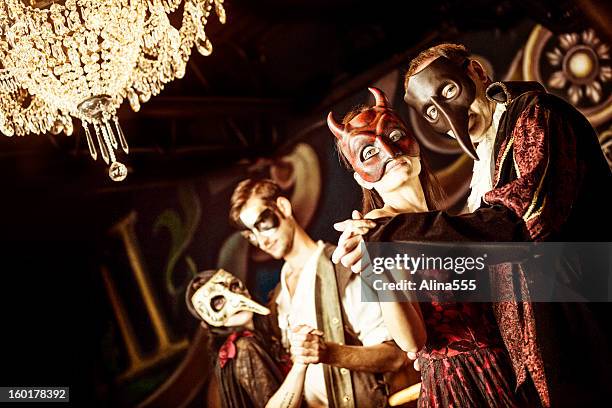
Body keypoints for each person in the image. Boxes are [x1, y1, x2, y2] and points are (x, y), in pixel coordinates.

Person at [332, 44, 612, 408]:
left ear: (477, 74)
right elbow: (414, 340)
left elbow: (519, 225)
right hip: (495, 376)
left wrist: (392, 234)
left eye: (448, 91)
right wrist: (379, 265)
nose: (450, 115)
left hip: (581, 335)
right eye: (431, 111)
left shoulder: (535, 117)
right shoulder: (480, 176)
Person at [328, 87, 538, 408]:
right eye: (368, 152)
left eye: (395, 135)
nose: (388, 151)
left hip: (507, 369)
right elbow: (411, 339)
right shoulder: (381, 229)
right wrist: (377, 267)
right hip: (461, 384)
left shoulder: (453, 221)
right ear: (362, 179)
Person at [229, 178, 419, 407]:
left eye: (262, 223)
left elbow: (396, 356)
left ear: (283, 207)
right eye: (250, 236)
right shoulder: (276, 300)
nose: (261, 240)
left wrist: (330, 353)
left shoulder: (344, 268)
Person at [186, 268, 306, 408]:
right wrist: (301, 363)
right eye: (217, 301)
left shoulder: (264, 332)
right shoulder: (243, 348)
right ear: (207, 323)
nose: (235, 300)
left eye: (234, 286)